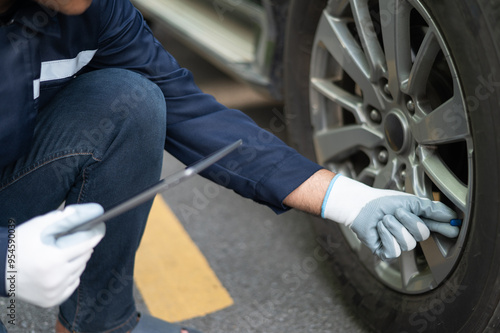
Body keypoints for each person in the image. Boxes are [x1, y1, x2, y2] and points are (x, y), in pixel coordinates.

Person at [0, 0, 459, 332]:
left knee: (132, 101)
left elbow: (193, 115)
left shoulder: (97, 12)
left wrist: (347, 197)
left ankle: (98, 326)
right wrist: (10, 262)